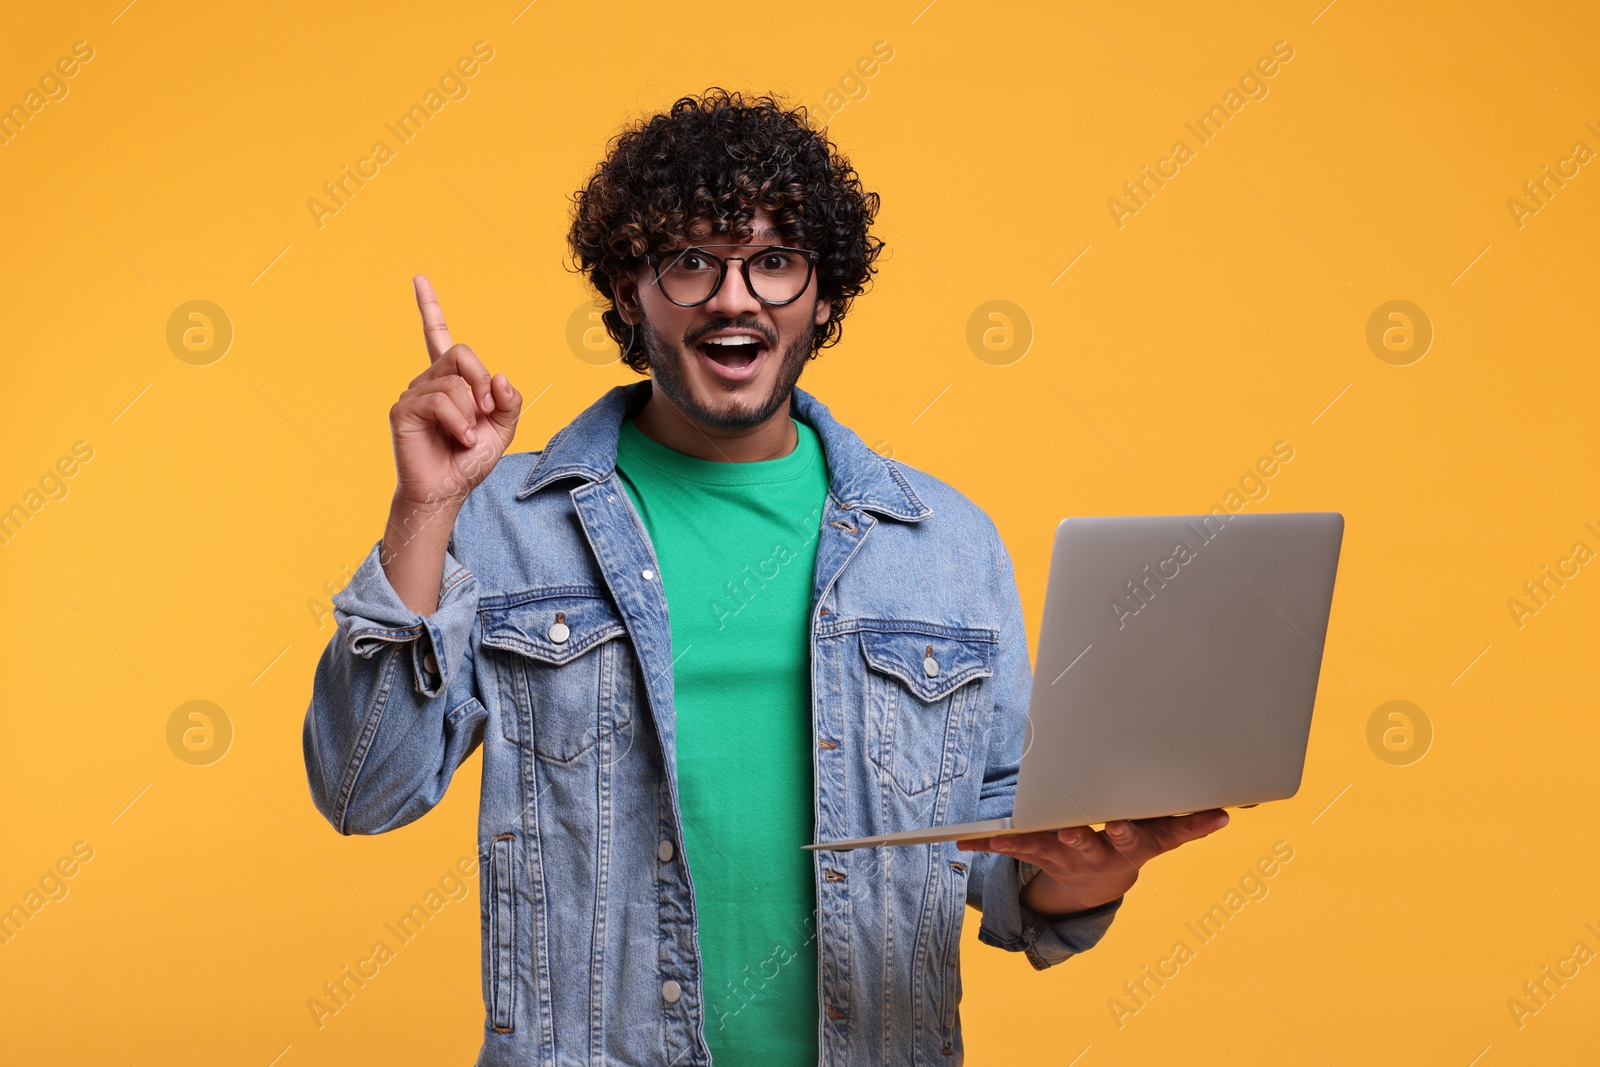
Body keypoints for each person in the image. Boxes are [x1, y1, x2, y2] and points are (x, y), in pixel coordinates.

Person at [302, 88, 1228, 1066]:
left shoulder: (945, 544)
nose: (734, 296)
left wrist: (1092, 873)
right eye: (692, 260)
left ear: (822, 297)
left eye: (775, 262)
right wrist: (424, 507)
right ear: (628, 290)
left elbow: (1000, 872)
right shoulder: (506, 524)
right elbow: (364, 786)